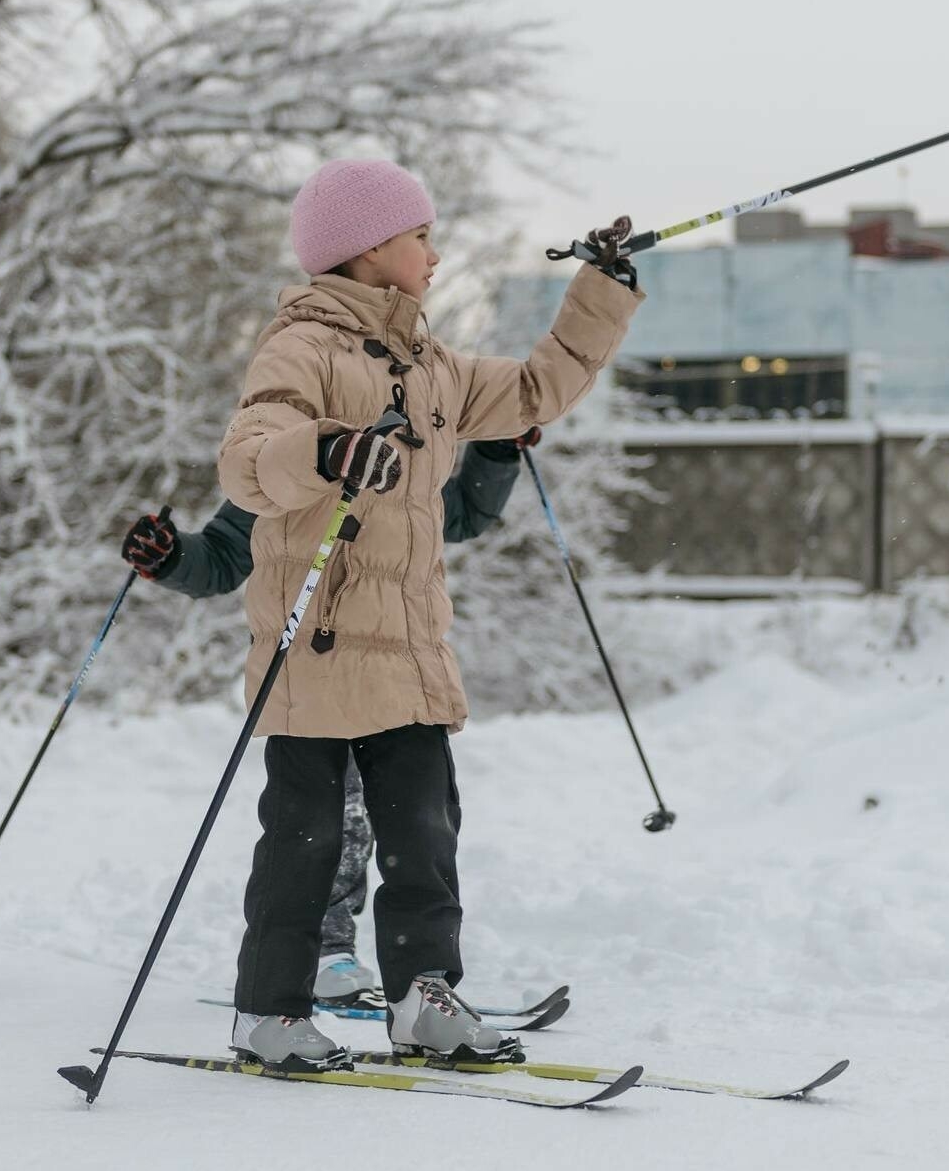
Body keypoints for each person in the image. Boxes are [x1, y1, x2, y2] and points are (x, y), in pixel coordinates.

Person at [215, 158, 643, 1069]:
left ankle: (423, 998)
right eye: (420, 236)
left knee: (423, 838)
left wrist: (599, 290)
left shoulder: (433, 365)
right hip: (318, 651)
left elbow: (533, 391)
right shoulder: (302, 347)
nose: (435, 252)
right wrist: (328, 448)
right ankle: (270, 1012)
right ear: (371, 249)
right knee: (305, 841)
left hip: (408, 653)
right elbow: (248, 459)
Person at [120, 430, 538, 1009]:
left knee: (416, 824)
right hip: (309, 672)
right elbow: (220, 556)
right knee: (324, 821)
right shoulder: (288, 450)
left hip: (392, 665)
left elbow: (459, 515)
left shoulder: (407, 436)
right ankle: (325, 954)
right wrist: (170, 557)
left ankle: (418, 982)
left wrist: (494, 450)